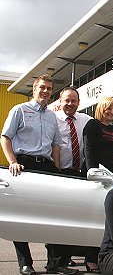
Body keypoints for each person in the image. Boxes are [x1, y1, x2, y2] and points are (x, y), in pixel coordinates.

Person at [0, 74, 77, 275]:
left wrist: (58, 171)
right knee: (21, 214)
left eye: (49, 89)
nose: (45, 91)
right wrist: (13, 162)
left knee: (55, 214)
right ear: (34, 89)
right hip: (24, 165)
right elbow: (5, 137)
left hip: (48, 166)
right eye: (42, 87)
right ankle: (25, 263)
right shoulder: (20, 110)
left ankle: (55, 264)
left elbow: (55, 146)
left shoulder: (52, 115)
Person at [55, 87, 101, 273]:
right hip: (58, 172)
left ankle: (67, 256)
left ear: (78, 103)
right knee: (58, 217)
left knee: (75, 216)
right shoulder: (52, 119)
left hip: (79, 174)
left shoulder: (86, 120)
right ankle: (57, 260)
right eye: (67, 100)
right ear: (60, 101)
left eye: (74, 101)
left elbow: (112, 136)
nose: (70, 104)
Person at [83, 97, 113, 175]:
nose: (112, 112)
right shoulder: (93, 124)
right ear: (101, 109)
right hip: (96, 172)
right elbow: (88, 149)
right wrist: (91, 170)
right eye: (109, 109)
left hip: (112, 173)